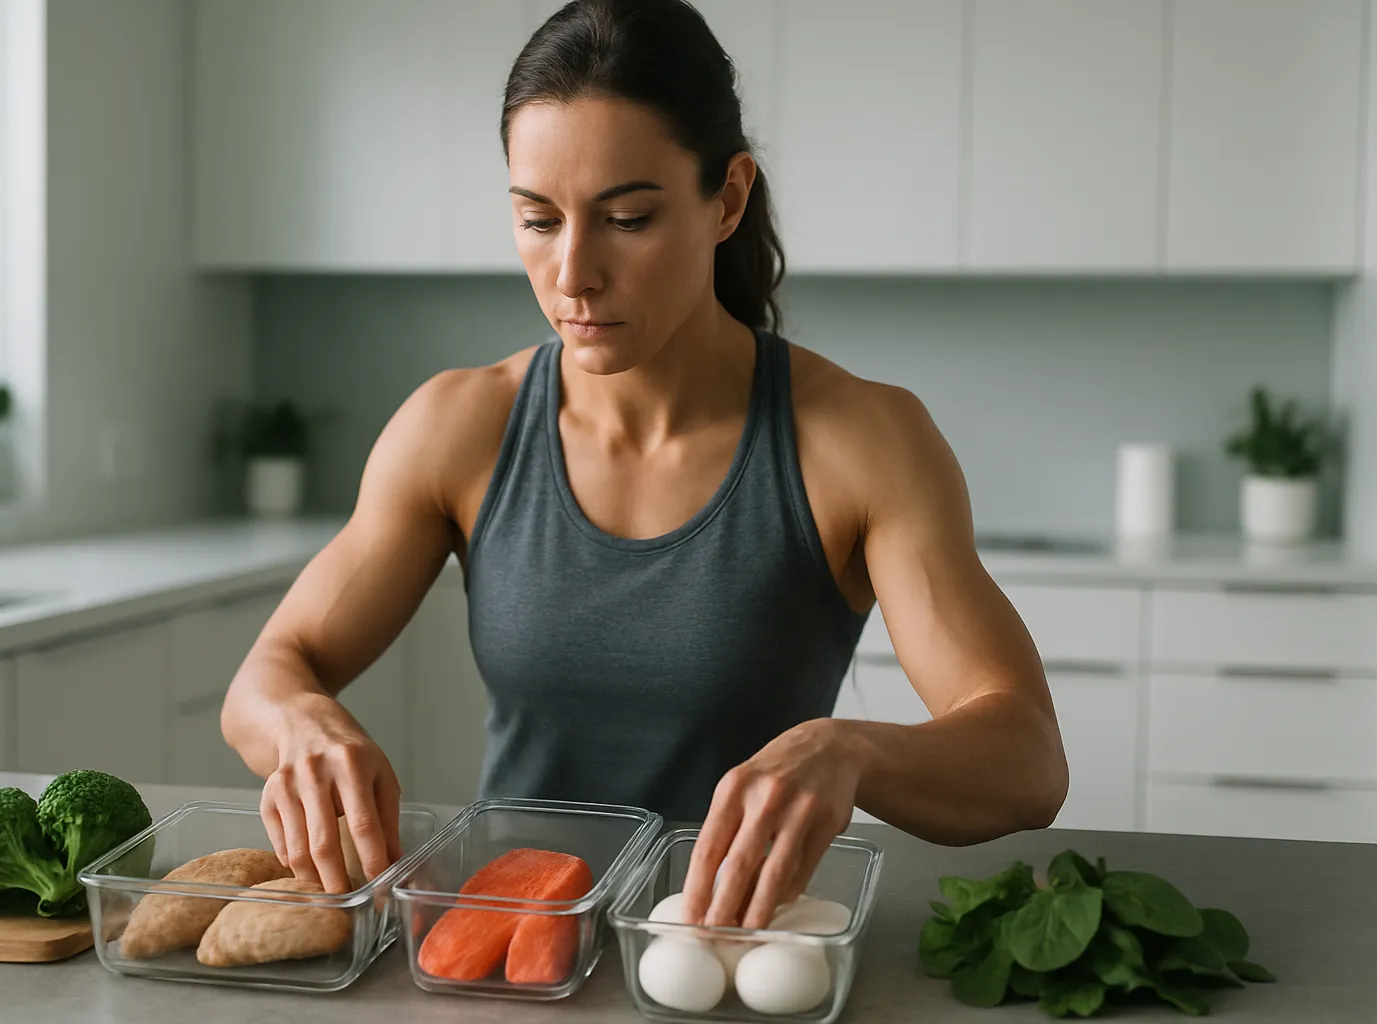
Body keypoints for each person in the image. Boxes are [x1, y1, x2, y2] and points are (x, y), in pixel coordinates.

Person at [220, 0, 1068, 932]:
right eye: (539, 220)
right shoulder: (456, 428)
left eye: (626, 218)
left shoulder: (862, 440)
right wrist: (299, 724)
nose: (574, 273)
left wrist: (852, 751)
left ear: (728, 199)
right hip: (505, 955)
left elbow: (1026, 759)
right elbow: (270, 673)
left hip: (734, 958)